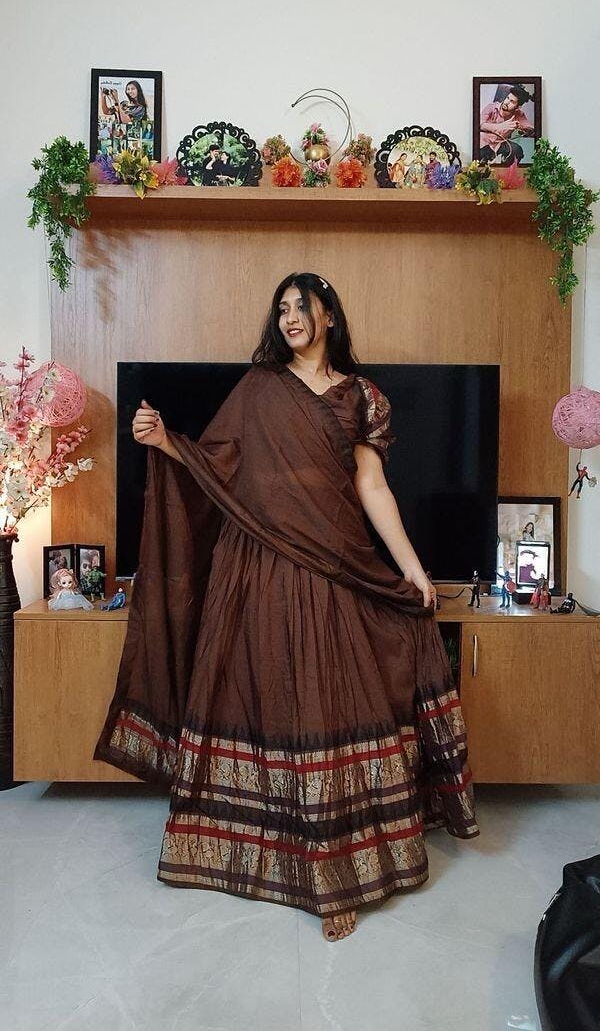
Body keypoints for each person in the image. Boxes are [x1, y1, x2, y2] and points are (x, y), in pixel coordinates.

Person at [94, 272, 479, 943]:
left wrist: (413, 567)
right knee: (269, 698)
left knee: (326, 707)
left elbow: (372, 486)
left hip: (334, 567)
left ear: (329, 315)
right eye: (282, 309)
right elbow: (218, 465)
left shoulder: (361, 396)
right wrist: (165, 444)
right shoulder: (259, 387)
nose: (291, 317)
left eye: (303, 306)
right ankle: (256, 854)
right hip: (257, 570)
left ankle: (337, 879)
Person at [479, 83, 535, 165]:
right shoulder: (491, 107)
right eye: (507, 98)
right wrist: (500, 127)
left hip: (500, 143)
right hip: (484, 142)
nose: (506, 102)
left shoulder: (519, 114)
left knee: (517, 150)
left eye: (512, 101)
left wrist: (527, 130)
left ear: (518, 107)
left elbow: (531, 130)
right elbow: (480, 124)